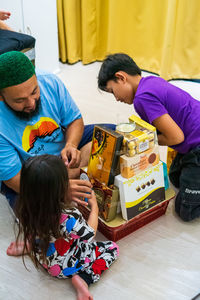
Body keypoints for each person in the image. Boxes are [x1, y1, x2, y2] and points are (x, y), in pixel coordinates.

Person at [0, 51, 115, 208]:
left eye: (34, 92)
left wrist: (71, 145)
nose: (31, 103)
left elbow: (75, 120)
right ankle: (78, 174)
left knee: (111, 135)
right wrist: (58, 190)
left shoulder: (49, 81)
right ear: (1, 97)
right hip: (32, 174)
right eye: (20, 100)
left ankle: (71, 175)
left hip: (62, 155)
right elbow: (15, 179)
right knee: (31, 213)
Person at [97, 53, 200, 222]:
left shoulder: (142, 98)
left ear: (121, 77)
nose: (116, 98)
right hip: (191, 142)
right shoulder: (151, 81)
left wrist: (144, 141)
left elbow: (176, 138)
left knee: (185, 210)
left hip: (196, 147)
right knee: (174, 178)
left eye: (112, 91)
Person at [7, 154, 119, 300]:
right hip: (64, 268)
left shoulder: (24, 207)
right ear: (61, 188)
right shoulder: (69, 216)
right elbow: (89, 234)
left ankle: (29, 245)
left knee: (38, 231)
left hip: (43, 257)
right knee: (111, 248)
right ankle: (84, 279)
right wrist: (95, 208)